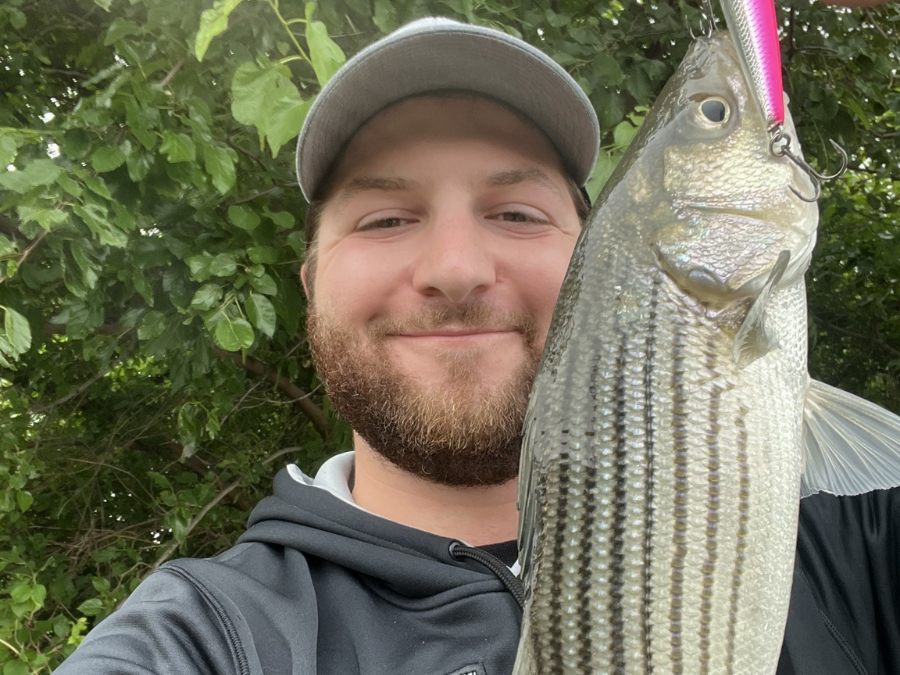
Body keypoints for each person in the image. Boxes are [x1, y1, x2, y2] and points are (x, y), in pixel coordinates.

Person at [52, 16, 898, 675]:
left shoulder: (858, 544)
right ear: (310, 286)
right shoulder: (201, 637)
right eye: (386, 218)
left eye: (517, 213)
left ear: (592, 268)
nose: (456, 268)